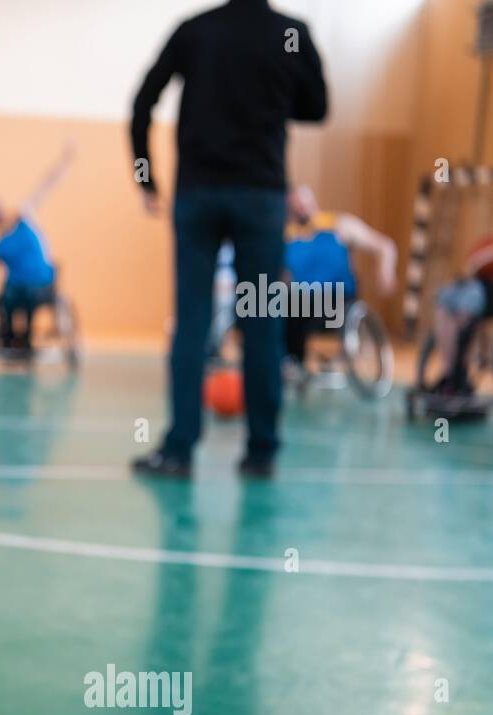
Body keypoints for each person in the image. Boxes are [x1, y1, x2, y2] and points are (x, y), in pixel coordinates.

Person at [130, 0, 327, 480]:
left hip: (197, 195)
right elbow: (316, 108)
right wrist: (274, 94)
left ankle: (179, 450)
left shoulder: (196, 31)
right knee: (262, 321)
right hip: (261, 197)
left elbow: (142, 102)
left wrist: (146, 177)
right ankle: (261, 452)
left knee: (192, 322)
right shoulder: (291, 33)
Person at [284, 184, 397, 372]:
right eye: (295, 205)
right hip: (300, 304)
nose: (301, 208)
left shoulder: (339, 225)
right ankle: (292, 361)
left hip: (338, 301)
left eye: (304, 203)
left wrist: (385, 271)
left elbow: (385, 246)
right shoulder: (288, 236)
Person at [0, 142, 77, 351]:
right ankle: (7, 336)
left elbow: (46, 186)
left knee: (28, 296)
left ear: (1, 204)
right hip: (14, 289)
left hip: (42, 285)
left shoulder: (24, 215)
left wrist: (64, 161)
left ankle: (25, 338)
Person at [423, 237, 493, 397]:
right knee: (445, 296)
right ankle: (449, 373)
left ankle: (459, 374)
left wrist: (482, 259)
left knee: (468, 301)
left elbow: (476, 262)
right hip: (474, 285)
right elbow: (470, 265)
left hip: (486, 292)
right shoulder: (487, 242)